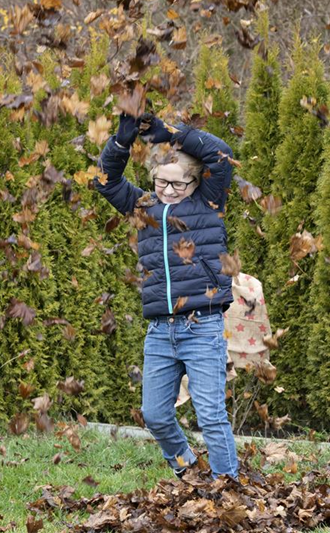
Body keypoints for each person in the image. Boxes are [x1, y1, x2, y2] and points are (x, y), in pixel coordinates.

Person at [92, 110, 239, 483]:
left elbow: (221, 153)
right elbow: (106, 181)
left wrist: (169, 133)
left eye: (179, 185)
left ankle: (228, 487)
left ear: (196, 182)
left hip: (202, 326)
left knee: (210, 415)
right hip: (160, 331)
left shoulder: (209, 203)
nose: (169, 192)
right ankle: (187, 468)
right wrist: (122, 140)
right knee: (155, 414)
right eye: (162, 183)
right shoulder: (145, 209)